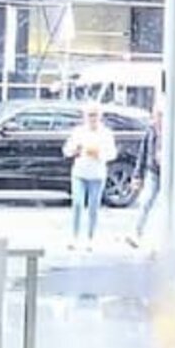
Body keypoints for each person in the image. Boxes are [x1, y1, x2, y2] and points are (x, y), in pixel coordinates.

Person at [62, 106, 116, 249]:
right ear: (85, 117)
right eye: (90, 115)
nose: (92, 118)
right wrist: (74, 150)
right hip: (80, 172)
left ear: (100, 116)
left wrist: (100, 154)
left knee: (93, 206)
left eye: (95, 115)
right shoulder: (79, 132)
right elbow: (67, 150)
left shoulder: (105, 133)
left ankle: (90, 238)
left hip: (97, 174)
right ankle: (74, 237)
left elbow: (112, 153)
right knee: (78, 203)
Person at [127, 108, 162, 248]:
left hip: (169, 173)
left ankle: (161, 236)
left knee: (165, 205)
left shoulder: (173, 130)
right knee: (146, 202)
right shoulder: (151, 131)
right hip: (153, 171)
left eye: (162, 115)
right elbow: (142, 153)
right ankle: (136, 233)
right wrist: (137, 175)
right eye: (158, 115)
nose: (159, 119)